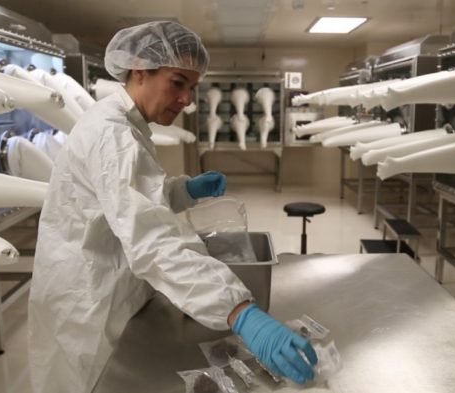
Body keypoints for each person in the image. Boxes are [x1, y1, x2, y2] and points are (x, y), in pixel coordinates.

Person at [28, 21, 317, 393]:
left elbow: (125, 198)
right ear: (139, 71)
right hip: (86, 304)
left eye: (192, 88)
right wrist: (239, 312)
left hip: (104, 283)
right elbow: (153, 239)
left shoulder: (124, 124)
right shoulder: (113, 134)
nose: (186, 100)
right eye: (177, 82)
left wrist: (181, 192)